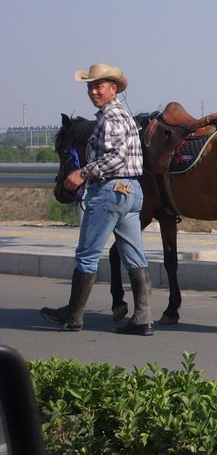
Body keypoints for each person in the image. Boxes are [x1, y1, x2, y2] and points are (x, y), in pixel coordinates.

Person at [41, 63, 154, 336]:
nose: (93, 91)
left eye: (98, 86)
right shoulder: (125, 116)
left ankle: (74, 315)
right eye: (90, 86)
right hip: (130, 191)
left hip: (109, 191)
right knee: (134, 255)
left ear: (113, 89)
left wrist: (82, 172)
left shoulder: (111, 117)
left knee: (87, 254)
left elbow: (114, 156)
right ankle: (142, 318)